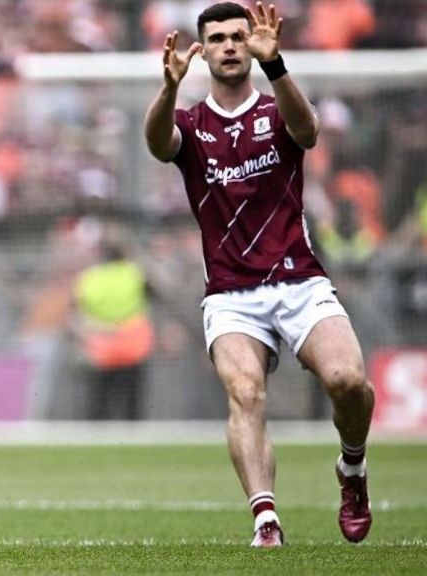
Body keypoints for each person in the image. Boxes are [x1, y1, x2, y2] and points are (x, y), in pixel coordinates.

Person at [143, 2, 375, 547]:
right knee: (245, 393)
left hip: (299, 280)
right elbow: (157, 145)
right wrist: (168, 89)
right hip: (230, 294)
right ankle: (265, 519)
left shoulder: (278, 109)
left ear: (252, 43)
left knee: (348, 383)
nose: (227, 45)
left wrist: (278, 67)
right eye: (217, 37)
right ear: (202, 50)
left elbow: (310, 132)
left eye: (236, 36)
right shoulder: (191, 123)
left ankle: (353, 470)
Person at [69, 237, 154, 420]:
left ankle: (97, 437)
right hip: (132, 344)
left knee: (99, 399)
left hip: (100, 344)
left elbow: (76, 308)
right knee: (132, 400)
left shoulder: (88, 277)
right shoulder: (134, 273)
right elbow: (152, 295)